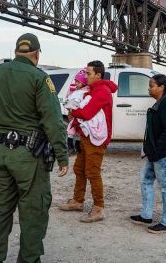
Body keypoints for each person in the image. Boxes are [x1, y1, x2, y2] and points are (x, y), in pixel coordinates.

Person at [0, 33, 69, 263]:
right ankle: (29, 259)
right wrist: (62, 155)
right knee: (33, 211)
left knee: (0, 209)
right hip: (28, 156)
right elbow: (53, 120)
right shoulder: (39, 78)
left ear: (16, 51)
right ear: (37, 54)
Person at [59, 60, 118, 223]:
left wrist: (73, 111)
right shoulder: (94, 89)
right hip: (88, 136)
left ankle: (99, 208)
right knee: (79, 168)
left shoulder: (102, 91)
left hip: (96, 139)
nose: (85, 76)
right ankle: (78, 201)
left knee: (92, 172)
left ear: (98, 75)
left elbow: (87, 112)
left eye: (88, 73)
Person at [129, 74, 166, 234]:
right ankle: (146, 215)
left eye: (151, 85)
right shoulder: (162, 102)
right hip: (156, 153)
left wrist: (157, 150)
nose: (149, 88)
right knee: (145, 180)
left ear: (161, 87)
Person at [65, 69, 88, 154]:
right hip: (74, 115)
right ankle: (71, 146)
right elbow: (69, 100)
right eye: (75, 81)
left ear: (83, 83)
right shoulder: (76, 92)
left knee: (78, 131)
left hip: (79, 116)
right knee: (71, 131)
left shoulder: (84, 92)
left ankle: (77, 147)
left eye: (78, 82)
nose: (76, 83)